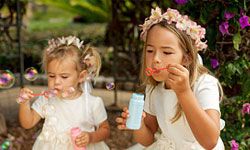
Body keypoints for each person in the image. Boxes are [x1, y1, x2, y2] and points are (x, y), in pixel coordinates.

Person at [116, 7, 225, 150]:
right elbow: (148, 140)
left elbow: (210, 141)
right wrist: (138, 125)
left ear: (186, 58)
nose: (155, 59)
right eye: (150, 51)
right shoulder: (154, 87)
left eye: (166, 52)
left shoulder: (205, 84)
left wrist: (184, 92)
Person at [18, 36, 110, 150]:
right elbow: (28, 123)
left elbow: (105, 130)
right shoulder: (46, 98)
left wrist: (91, 137)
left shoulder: (92, 103)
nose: (56, 81)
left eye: (64, 76)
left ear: (81, 76)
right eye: (51, 76)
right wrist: (24, 103)